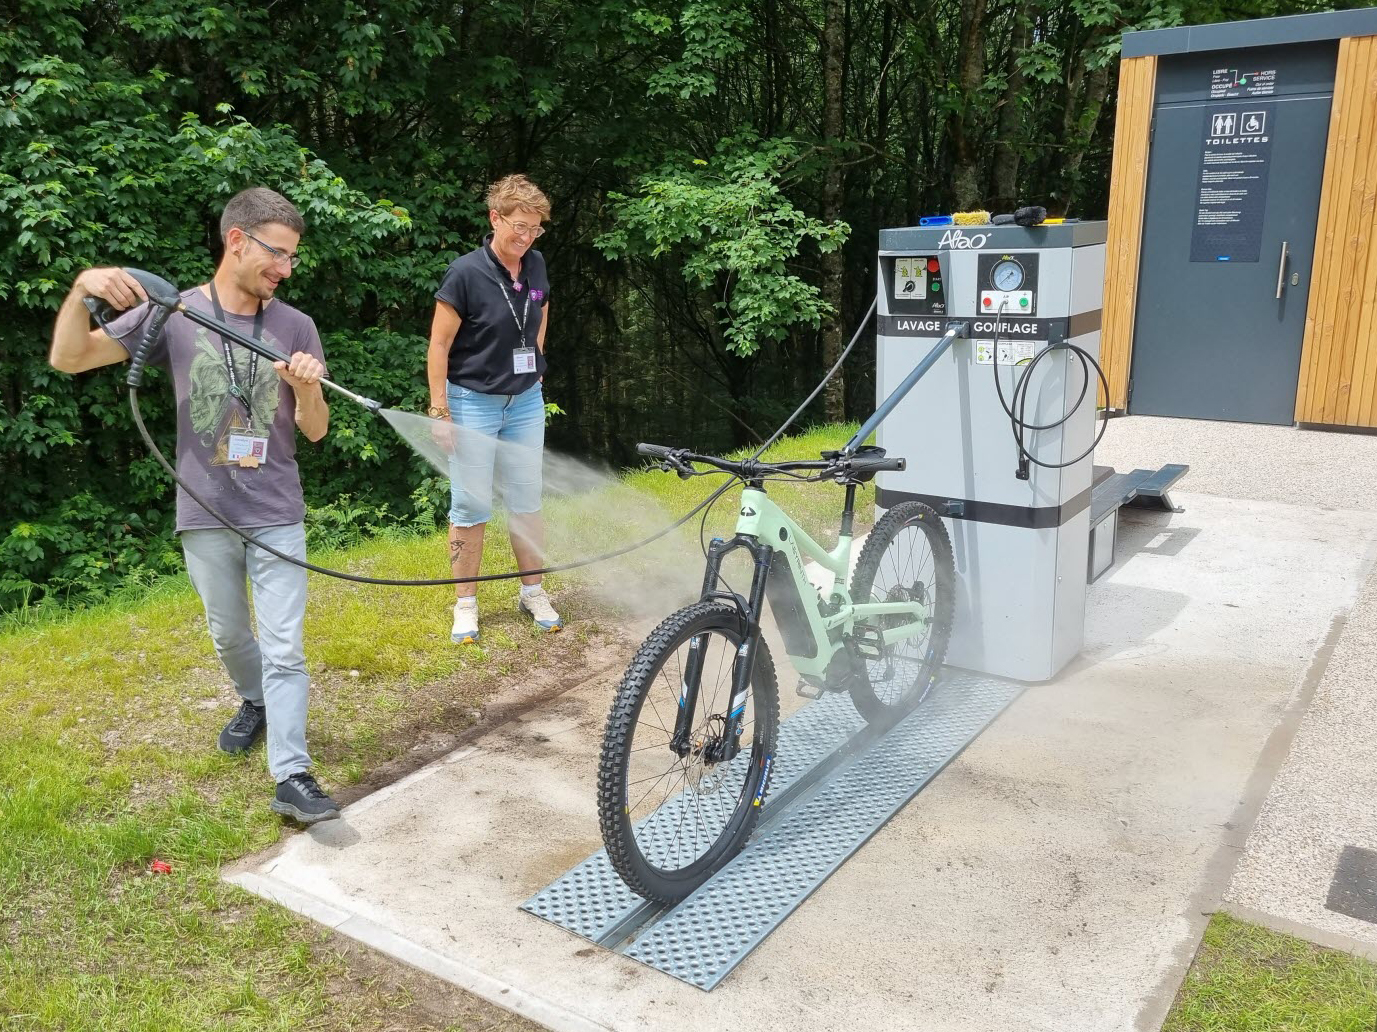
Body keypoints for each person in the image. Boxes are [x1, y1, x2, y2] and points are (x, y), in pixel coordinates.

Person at [48, 187, 341, 825]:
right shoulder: (172, 314)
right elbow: (69, 358)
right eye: (277, 254)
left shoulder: (295, 326)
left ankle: (292, 775)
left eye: (291, 259)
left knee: (286, 646)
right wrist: (81, 291)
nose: (285, 270)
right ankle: (254, 701)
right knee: (230, 634)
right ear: (236, 241)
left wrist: (305, 389)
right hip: (204, 510)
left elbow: (314, 430)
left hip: (276, 509)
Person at [427, 174, 560, 644]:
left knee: (527, 500)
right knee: (471, 504)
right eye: (518, 227)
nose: (525, 237)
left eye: (535, 229)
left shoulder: (537, 265)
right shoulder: (465, 273)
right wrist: (440, 410)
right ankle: (466, 605)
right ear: (495, 219)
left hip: (524, 401)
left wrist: (537, 363)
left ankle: (533, 592)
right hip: (472, 402)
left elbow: (540, 314)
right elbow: (439, 345)